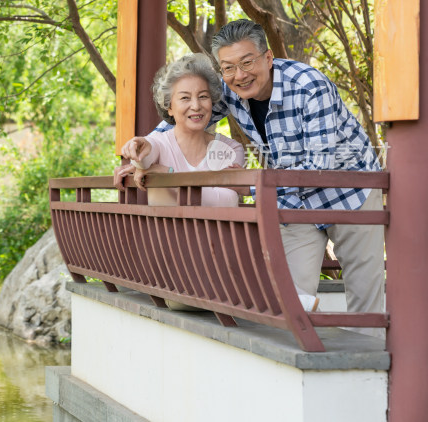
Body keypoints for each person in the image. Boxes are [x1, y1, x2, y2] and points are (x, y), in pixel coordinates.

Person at [122, 20, 384, 325]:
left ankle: (365, 367)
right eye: (229, 67)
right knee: (288, 295)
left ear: (268, 58)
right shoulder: (230, 89)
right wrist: (142, 150)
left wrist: (249, 188)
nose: (240, 75)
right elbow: (183, 116)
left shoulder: (309, 87)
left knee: (366, 301)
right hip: (294, 199)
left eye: (247, 62)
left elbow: (318, 166)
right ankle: (302, 361)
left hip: (350, 192)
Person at [114, 53, 244, 208]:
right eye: (185, 98)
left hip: (218, 233)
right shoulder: (158, 143)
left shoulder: (231, 149)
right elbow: (147, 153)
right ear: (169, 107)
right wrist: (140, 154)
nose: (196, 106)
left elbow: (226, 200)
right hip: (164, 233)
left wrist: (168, 175)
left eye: (203, 96)